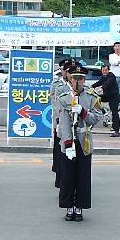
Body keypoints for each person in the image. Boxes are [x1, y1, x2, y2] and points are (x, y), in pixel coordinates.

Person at [57, 65, 102, 221]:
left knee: (83, 175)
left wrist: (83, 111)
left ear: (84, 80)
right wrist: (68, 143)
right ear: (70, 78)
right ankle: (69, 206)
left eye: (80, 78)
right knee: (68, 176)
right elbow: (63, 122)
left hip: (84, 140)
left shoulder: (91, 97)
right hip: (70, 141)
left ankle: (79, 207)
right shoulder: (63, 98)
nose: (77, 81)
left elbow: (96, 118)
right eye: (75, 78)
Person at [51, 59, 75, 188]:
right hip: (61, 122)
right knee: (60, 151)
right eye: (67, 71)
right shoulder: (58, 85)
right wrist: (61, 119)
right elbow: (56, 104)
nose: (70, 74)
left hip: (76, 126)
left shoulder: (79, 87)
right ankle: (60, 178)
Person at [92, 63, 120, 136]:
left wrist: (101, 88)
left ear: (108, 70)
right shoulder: (103, 76)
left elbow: (107, 83)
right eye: (103, 70)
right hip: (107, 95)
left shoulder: (111, 76)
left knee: (115, 113)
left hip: (114, 97)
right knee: (96, 98)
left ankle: (117, 131)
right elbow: (99, 82)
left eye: (106, 70)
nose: (104, 71)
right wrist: (91, 87)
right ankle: (103, 111)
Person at [108, 41, 120, 106]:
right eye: (116, 46)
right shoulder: (111, 55)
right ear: (114, 47)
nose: (117, 48)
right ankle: (113, 105)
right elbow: (112, 62)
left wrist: (118, 64)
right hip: (113, 76)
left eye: (118, 46)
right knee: (113, 92)